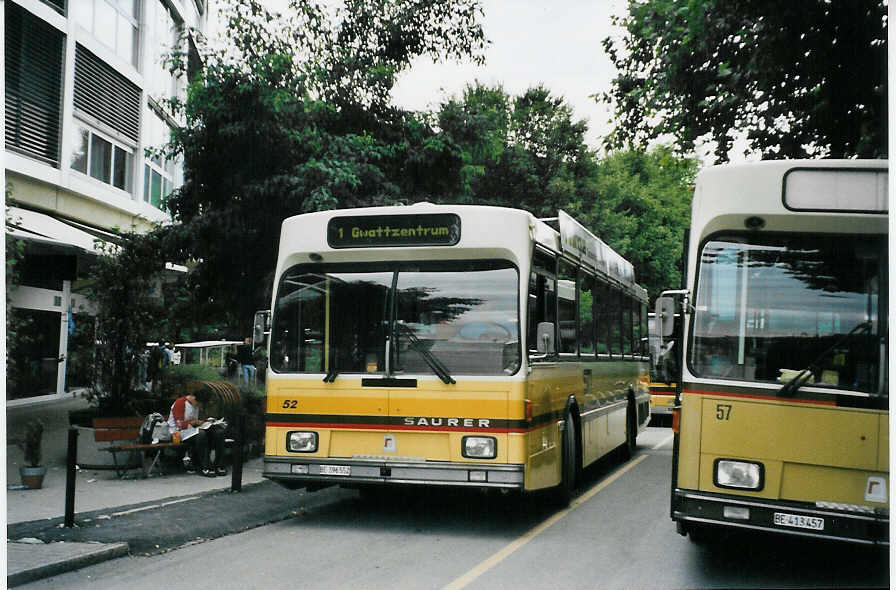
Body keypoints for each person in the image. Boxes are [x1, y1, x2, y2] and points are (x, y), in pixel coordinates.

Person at [167, 391, 227, 477]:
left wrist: (208, 421)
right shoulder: (180, 403)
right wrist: (194, 422)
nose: (199, 406)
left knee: (218, 432)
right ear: (195, 399)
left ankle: (219, 465)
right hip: (179, 432)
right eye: (199, 404)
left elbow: (199, 420)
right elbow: (179, 425)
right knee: (201, 435)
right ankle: (205, 467)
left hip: (194, 429)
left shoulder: (197, 406)